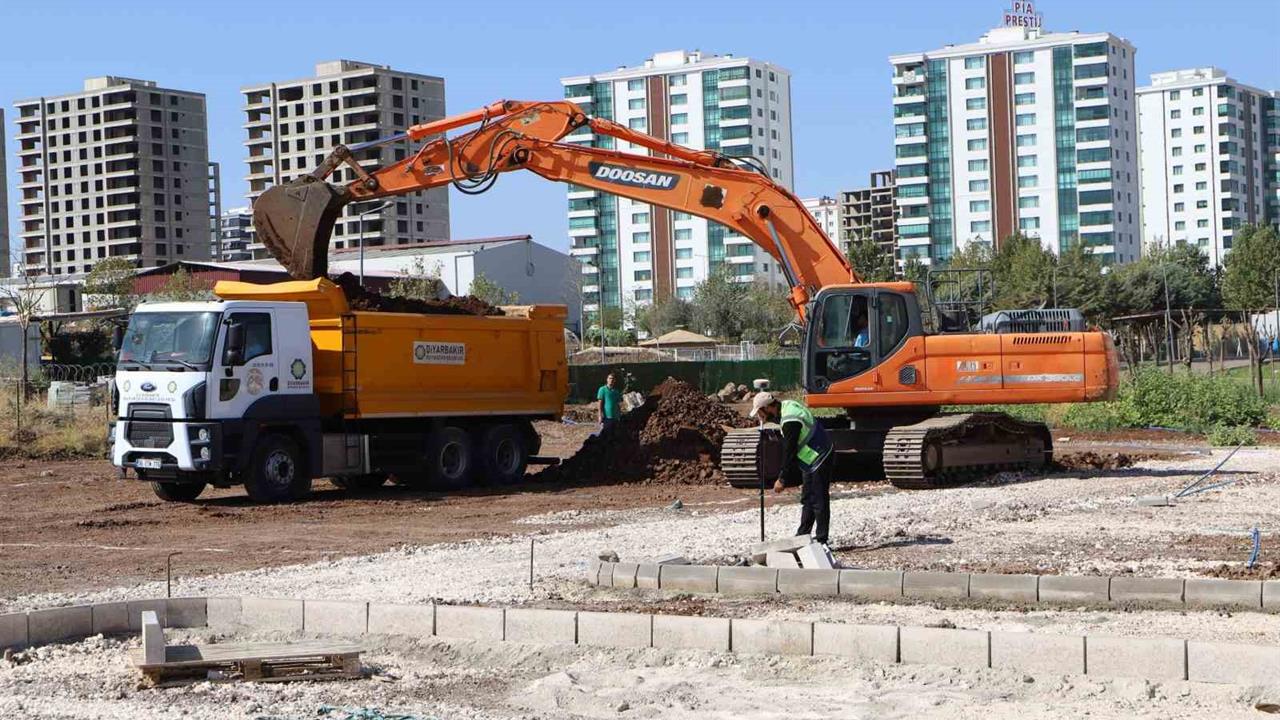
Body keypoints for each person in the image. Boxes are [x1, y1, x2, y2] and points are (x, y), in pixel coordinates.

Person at [750, 391, 834, 545]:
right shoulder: (786, 406)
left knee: (818, 497)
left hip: (819, 454)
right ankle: (803, 535)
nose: (760, 416)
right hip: (811, 456)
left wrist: (782, 479)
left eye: (760, 412)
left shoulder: (790, 420)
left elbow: (790, 451)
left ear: (767, 408)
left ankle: (822, 539)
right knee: (808, 497)